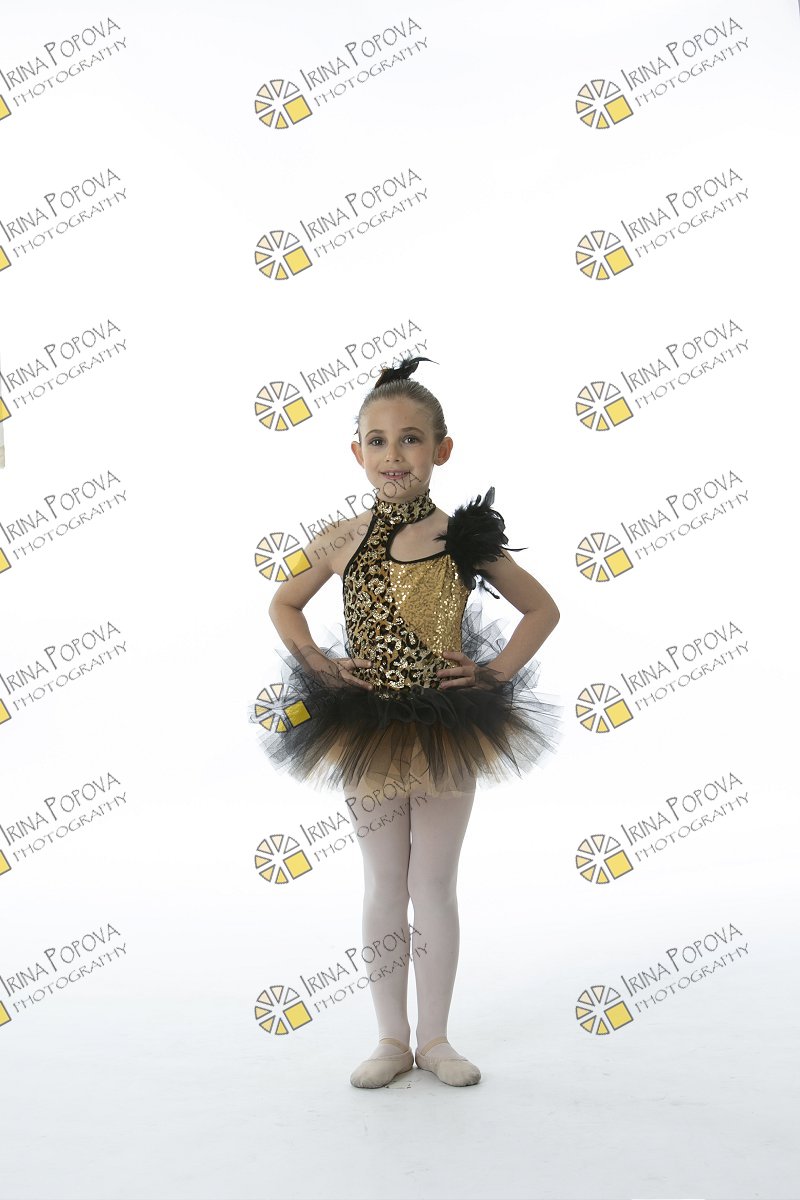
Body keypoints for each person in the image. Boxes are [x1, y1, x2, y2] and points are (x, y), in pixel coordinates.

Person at [251, 355, 564, 1088]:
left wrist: (494, 674)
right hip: (366, 728)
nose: (394, 454)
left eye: (412, 439)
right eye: (379, 440)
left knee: (435, 884)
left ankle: (438, 1039)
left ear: (442, 450)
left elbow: (542, 609)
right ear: (357, 452)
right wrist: (321, 664)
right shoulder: (341, 539)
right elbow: (283, 602)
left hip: (450, 726)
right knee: (384, 882)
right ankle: (391, 1039)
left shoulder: (463, 538)